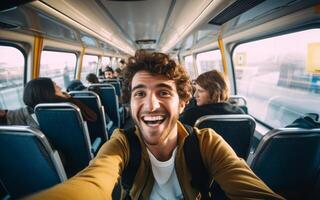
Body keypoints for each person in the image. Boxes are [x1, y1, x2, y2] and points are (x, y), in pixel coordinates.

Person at [28, 52, 283, 199]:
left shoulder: (206, 142)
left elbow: (250, 189)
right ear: (128, 104)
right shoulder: (122, 144)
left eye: (163, 92)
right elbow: (91, 183)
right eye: (139, 93)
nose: (150, 105)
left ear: (183, 103)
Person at [0, 77, 97, 129]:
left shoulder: (27, 112)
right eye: (56, 86)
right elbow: (92, 117)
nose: (60, 88)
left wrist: (70, 99)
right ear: (48, 94)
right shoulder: (68, 110)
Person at [179, 70, 245, 126]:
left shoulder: (192, 115)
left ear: (215, 93)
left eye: (200, 91)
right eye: (196, 90)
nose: (195, 95)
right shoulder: (240, 113)